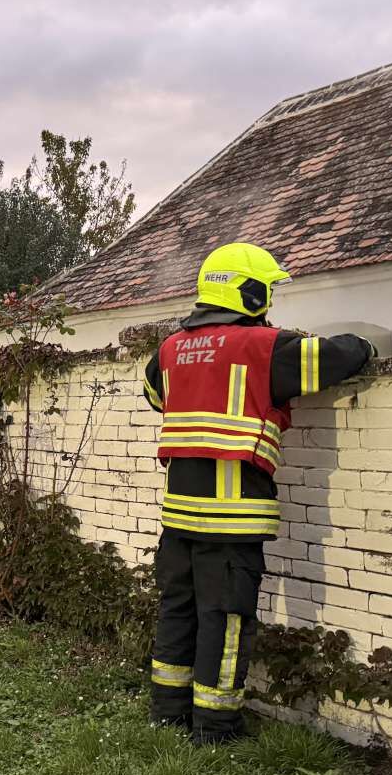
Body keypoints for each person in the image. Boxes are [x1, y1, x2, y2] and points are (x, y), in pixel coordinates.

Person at [142, 242, 376, 744]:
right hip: (233, 518)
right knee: (225, 621)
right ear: (248, 293)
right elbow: (335, 356)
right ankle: (215, 726)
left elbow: (154, 392)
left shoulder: (168, 349)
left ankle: (167, 712)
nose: (270, 301)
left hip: (178, 515)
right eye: (267, 290)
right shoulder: (264, 348)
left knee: (177, 609)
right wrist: (367, 344)